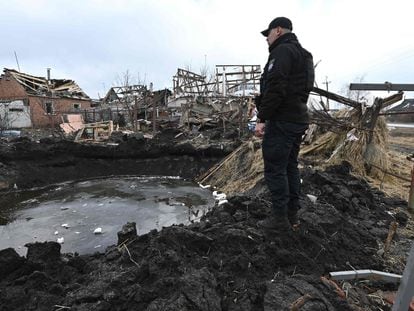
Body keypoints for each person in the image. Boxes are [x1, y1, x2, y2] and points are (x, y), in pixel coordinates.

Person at [254, 17, 314, 230]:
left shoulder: (282, 52)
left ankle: (279, 219)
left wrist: (262, 118)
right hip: (297, 119)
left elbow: (275, 88)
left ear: (278, 30)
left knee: (275, 169)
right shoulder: (305, 55)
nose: (266, 39)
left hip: (281, 120)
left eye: (268, 34)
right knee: (290, 166)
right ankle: (292, 216)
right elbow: (303, 90)